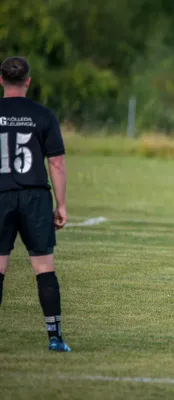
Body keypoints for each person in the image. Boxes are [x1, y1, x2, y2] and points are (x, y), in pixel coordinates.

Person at [0, 56, 71, 352]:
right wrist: (61, 204)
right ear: (28, 81)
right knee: (44, 268)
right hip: (35, 198)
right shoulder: (43, 115)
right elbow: (56, 162)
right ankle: (54, 337)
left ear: (1, 80)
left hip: (1, 195)